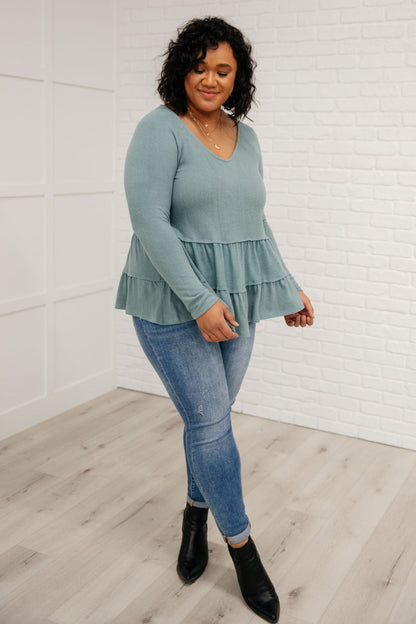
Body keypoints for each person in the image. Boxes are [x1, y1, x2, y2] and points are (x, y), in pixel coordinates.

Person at [115, 16, 314, 624]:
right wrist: (200, 302)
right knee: (209, 423)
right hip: (172, 303)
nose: (210, 79)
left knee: (211, 424)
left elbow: (255, 223)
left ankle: (194, 513)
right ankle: (243, 549)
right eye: (200, 67)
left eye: (223, 70)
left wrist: (287, 287)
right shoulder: (159, 130)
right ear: (182, 69)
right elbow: (149, 221)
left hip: (239, 302)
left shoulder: (245, 138)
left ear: (237, 77)